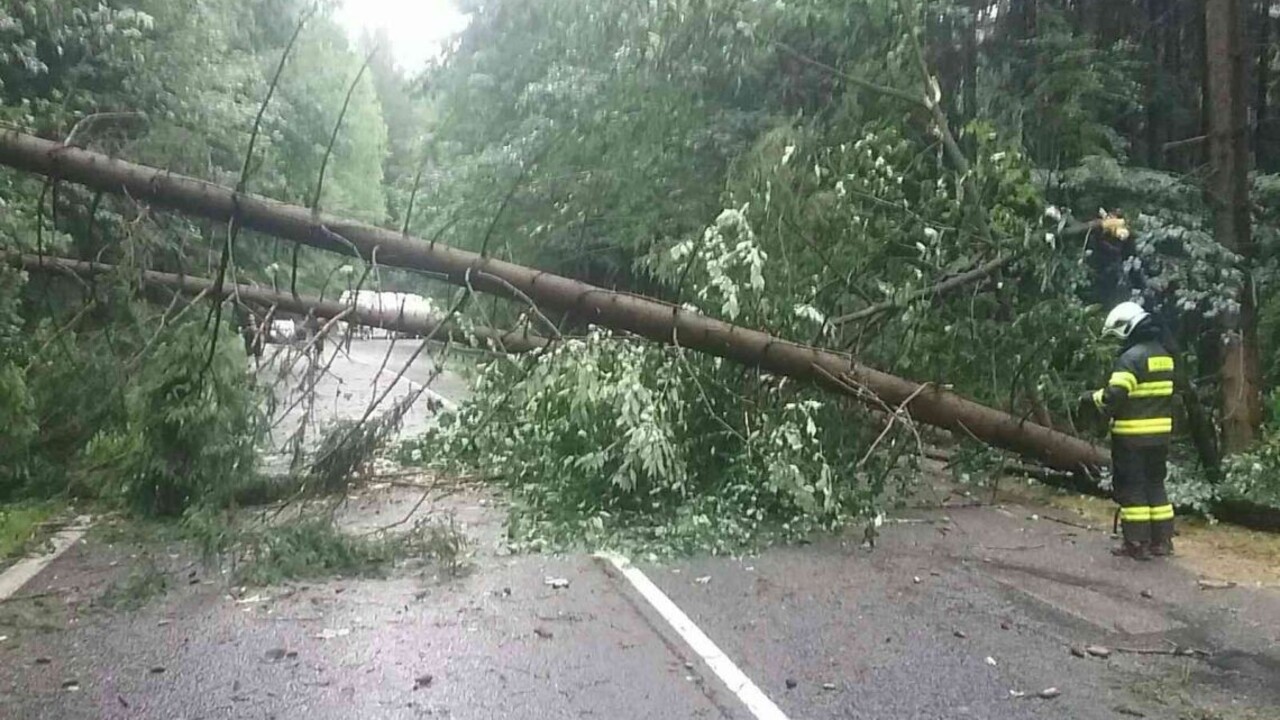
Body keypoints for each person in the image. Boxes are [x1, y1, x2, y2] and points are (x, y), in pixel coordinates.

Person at [1083, 301, 1176, 560]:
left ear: (1127, 328)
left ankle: (1136, 543)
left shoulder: (1131, 359)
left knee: (1132, 487)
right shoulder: (1164, 355)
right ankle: (1162, 541)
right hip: (1160, 436)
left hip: (1132, 437)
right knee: (1155, 485)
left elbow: (1115, 396)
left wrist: (1092, 398)